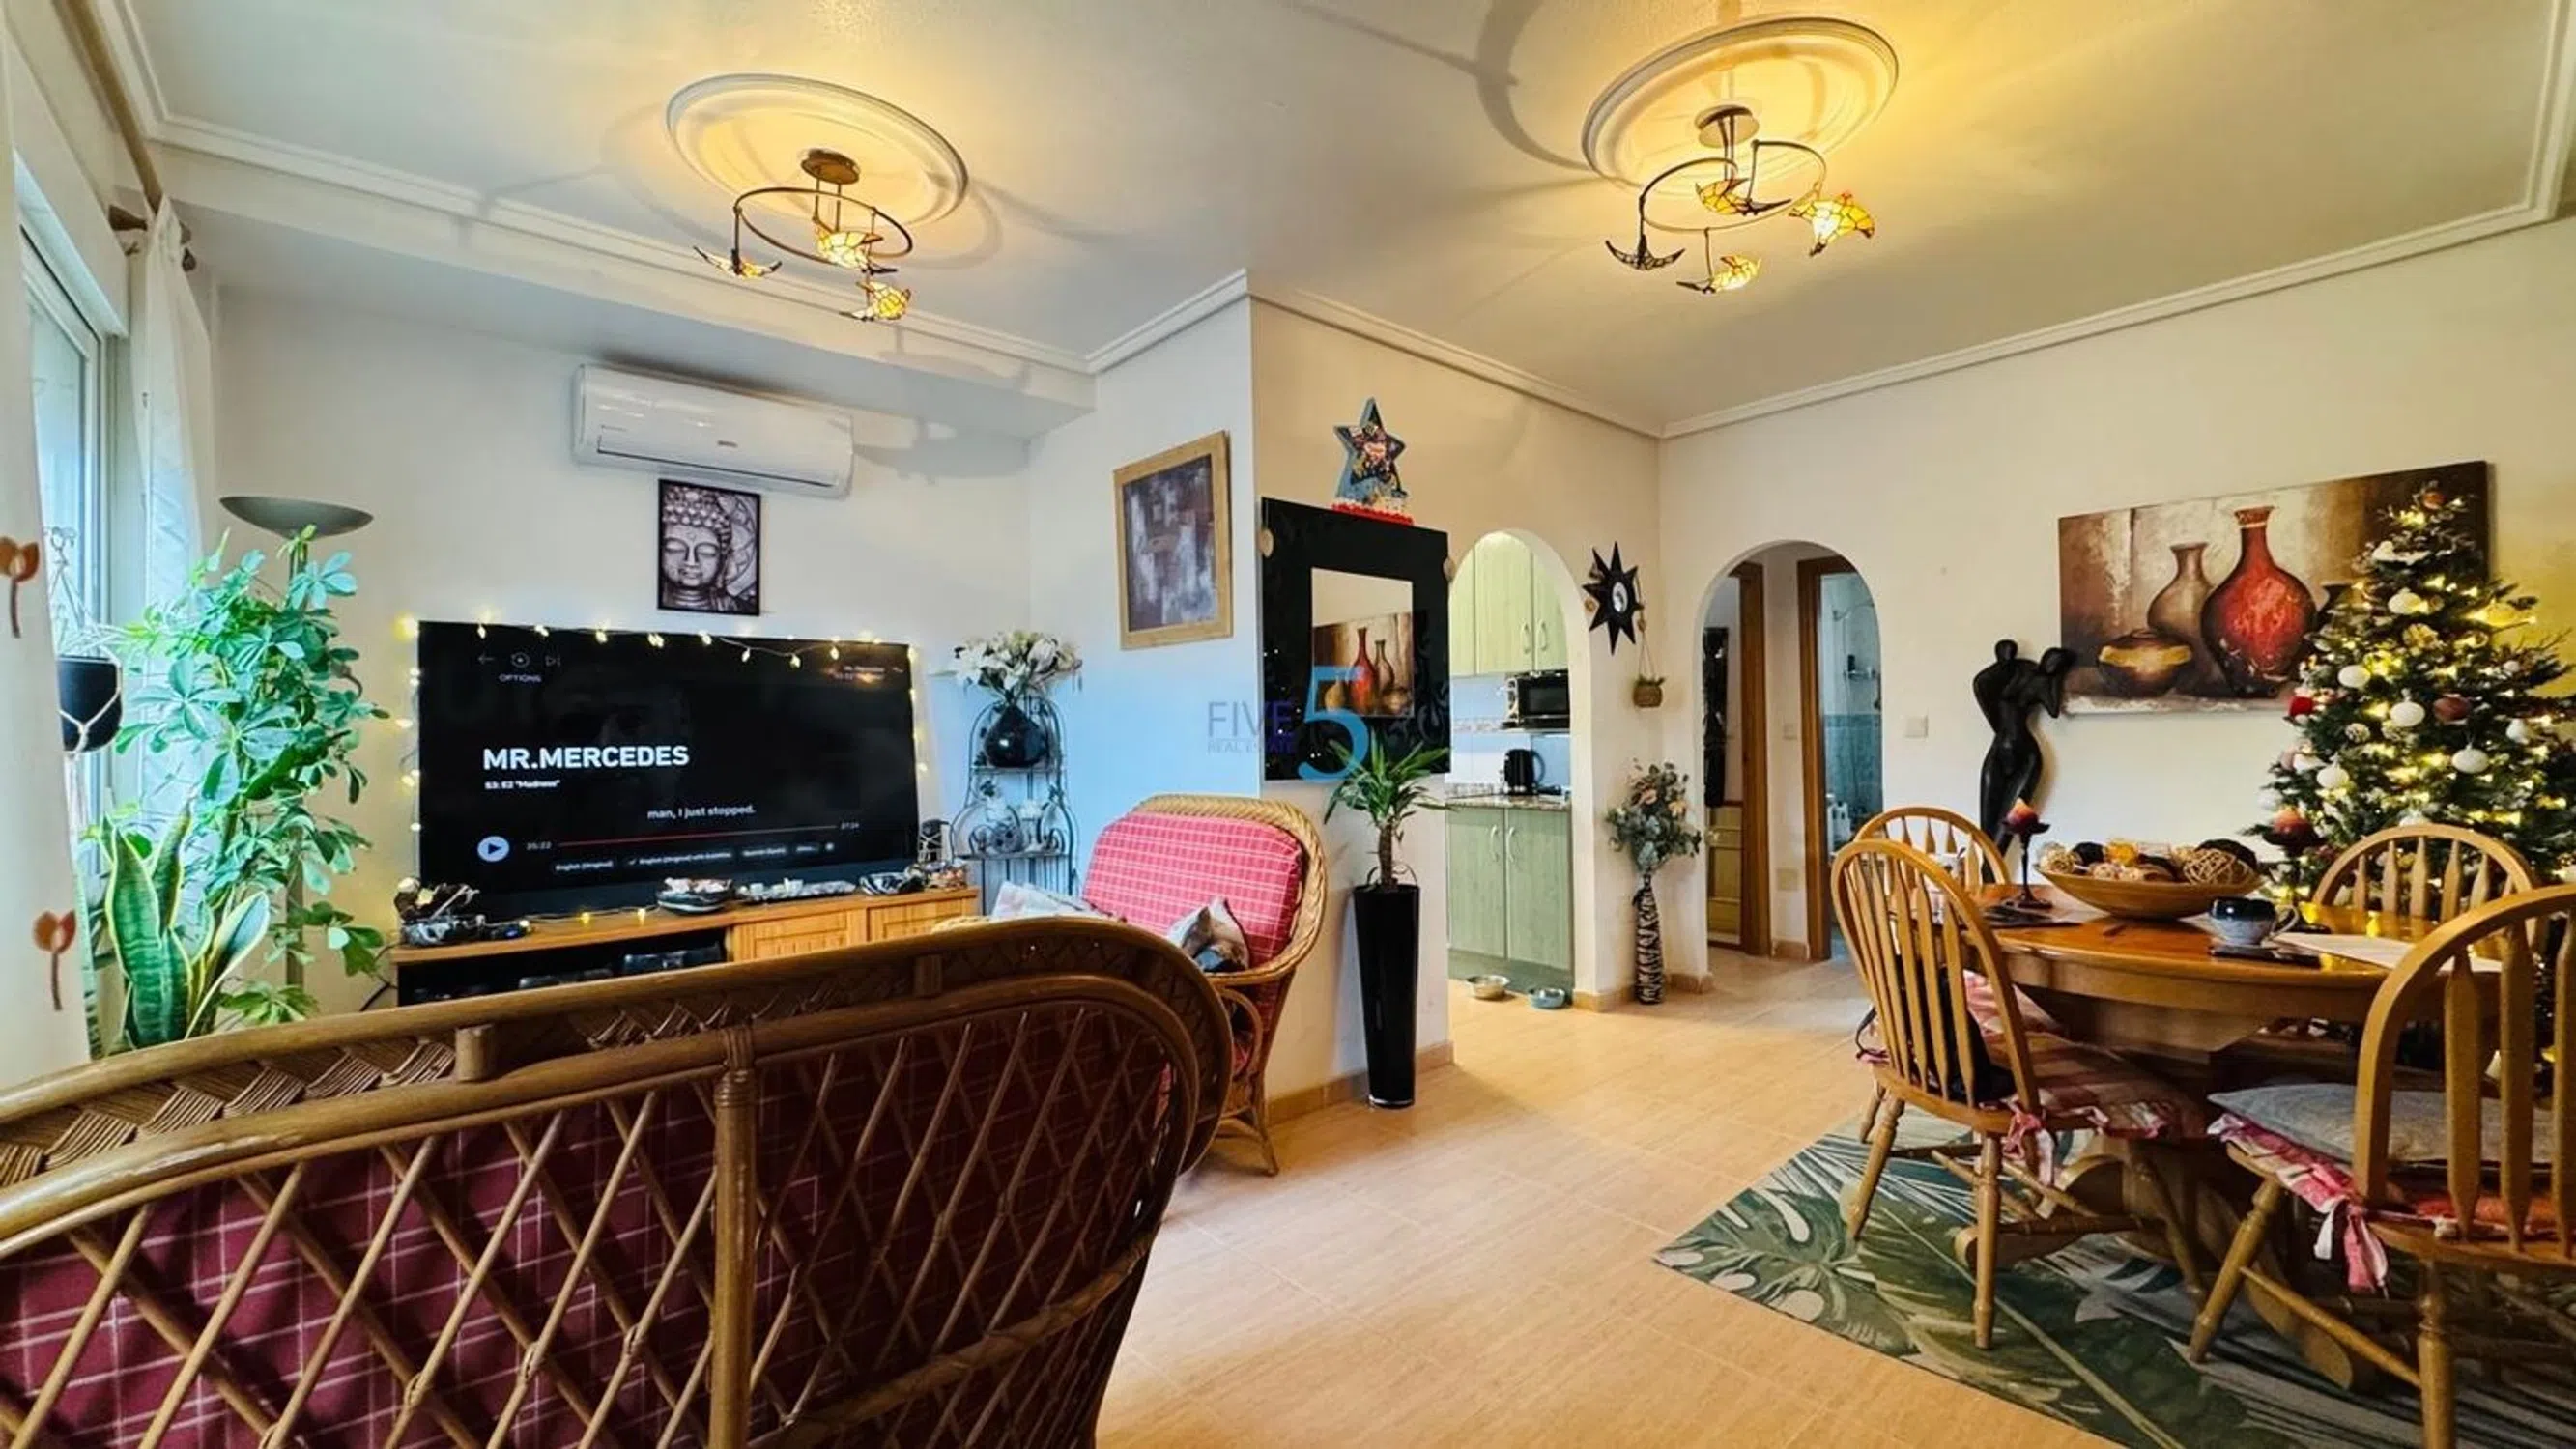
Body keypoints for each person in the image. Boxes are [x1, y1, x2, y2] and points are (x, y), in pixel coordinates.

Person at [1972, 639, 2074, 844]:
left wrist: (2054, 680)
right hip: (1999, 749)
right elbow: (1979, 684)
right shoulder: (2015, 672)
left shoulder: (2044, 685)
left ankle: (1993, 865)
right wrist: (2001, 664)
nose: (2051, 664)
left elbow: (2053, 710)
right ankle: (1987, 864)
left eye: (2057, 664)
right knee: (1986, 822)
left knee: (2012, 821)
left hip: (2026, 755)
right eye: (2050, 659)